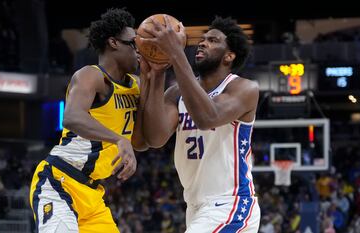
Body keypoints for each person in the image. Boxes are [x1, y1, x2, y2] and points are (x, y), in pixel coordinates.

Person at [29, 8, 149, 233]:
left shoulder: (136, 85)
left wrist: (156, 72)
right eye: (134, 44)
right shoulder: (91, 75)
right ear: (114, 43)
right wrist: (119, 140)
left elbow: (147, 137)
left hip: (92, 196)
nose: (139, 51)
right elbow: (72, 117)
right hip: (59, 181)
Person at [140, 16, 261, 232]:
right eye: (202, 39)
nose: (203, 43)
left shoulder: (243, 89)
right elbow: (155, 138)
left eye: (213, 41)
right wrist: (158, 72)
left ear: (229, 56)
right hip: (195, 206)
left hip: (231, 203)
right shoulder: (176, 92)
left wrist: (176, 53)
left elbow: (208, 118)